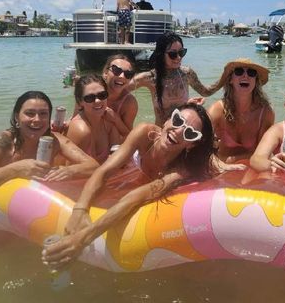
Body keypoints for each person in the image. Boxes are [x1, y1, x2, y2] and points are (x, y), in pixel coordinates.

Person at [41, 103, 216, 267]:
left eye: (190, 133)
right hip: (137, 175)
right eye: (178, 121)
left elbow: (138, 196)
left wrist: (82, 239)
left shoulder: (182, 169)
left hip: (155, 189)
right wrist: (80, 209)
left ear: (192, 144)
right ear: (168, 119)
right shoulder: (144, 133)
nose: (178, 131)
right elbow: (105, 171)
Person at [0, 91, 99, 203]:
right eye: (29, 113)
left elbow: (93, 166)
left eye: (43, 114)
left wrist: (70, 171)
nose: (37, 120)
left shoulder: (55, 140)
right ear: (17, 117)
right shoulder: (2, 142)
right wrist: (17, 169)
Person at [131, 32, 221, 126]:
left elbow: (206, 92)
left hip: (182, 132)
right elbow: (122, 89)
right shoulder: (150, 77)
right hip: (161, 132)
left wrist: (225, 76)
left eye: (182, 52)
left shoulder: (186, 73)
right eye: (173, 54)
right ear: (161, 54)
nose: (178, 57)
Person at [208, 58, 275, 163]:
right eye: (239, 72)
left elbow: (264, 152)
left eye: (251, 73)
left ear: (255, 81)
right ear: (230, 80)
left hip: (250, 166)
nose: (245, 76)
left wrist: (232, 160)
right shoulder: (217, 110)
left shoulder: (265, 113)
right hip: (221, 167)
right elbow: (198, 146)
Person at [66, 74, 122, 164]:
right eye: (90, 98)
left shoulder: (108, 123)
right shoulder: (81, 130)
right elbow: (71, 169)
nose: (98, 101)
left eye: (102, 95)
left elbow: (116, 152)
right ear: (80, 102)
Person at [101, 54, 138, 139]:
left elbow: (128, 137)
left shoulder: (129, 103)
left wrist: (115, 119)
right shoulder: (92, 92)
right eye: (116, 70)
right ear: (105, 73)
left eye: (128, 74)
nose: (122, 76)